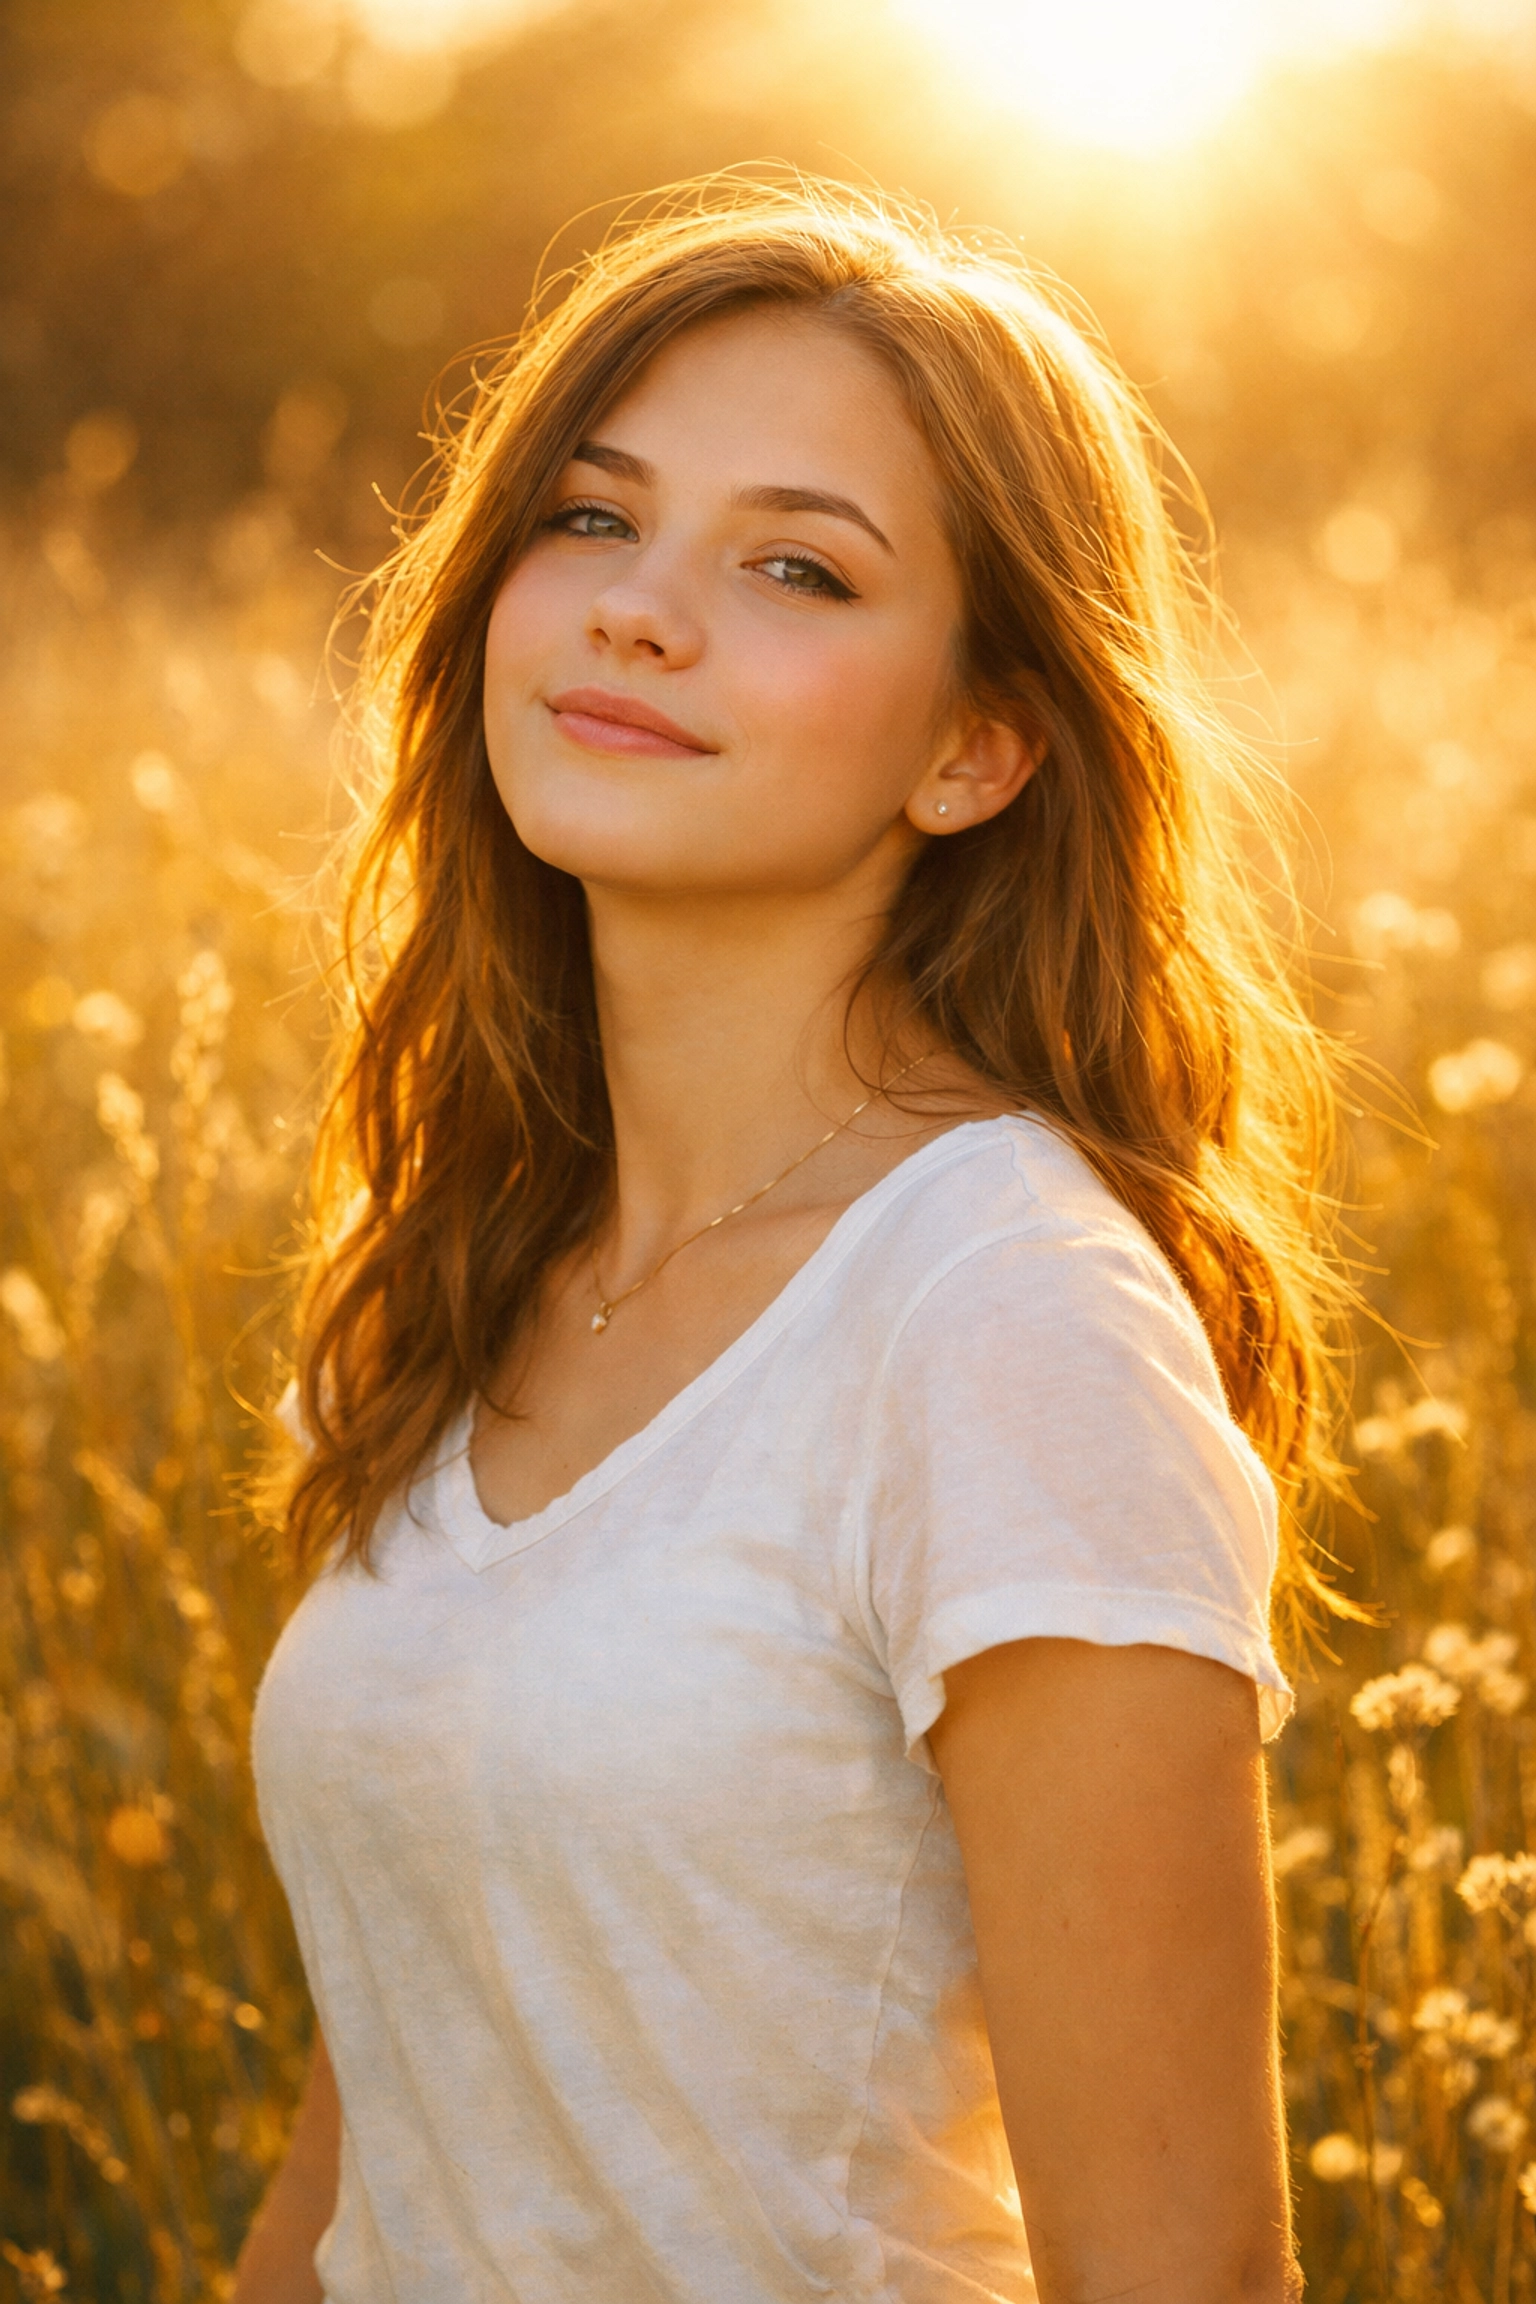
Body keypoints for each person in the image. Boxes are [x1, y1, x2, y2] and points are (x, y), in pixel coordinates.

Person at [237, 177, 1344, 2304]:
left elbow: (1184, 2261)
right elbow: (394, 2101)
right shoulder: (464, 1264)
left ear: (977, 748)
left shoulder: (1005, 1317)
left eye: (796, 569)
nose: (640, 612)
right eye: (588, 519)